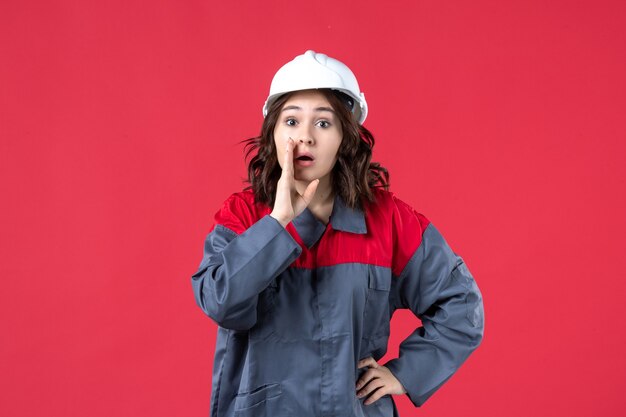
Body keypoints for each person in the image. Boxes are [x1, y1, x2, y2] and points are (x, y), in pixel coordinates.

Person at [191, 50, 485, 417]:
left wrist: (405, 374)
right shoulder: (243, 215)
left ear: (347, 135)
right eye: (292, 120)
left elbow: (461, 305)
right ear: (273, 132)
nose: (306, 138)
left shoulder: (388, 221)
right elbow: (220, 301)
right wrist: (277, 222)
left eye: (324, 123)